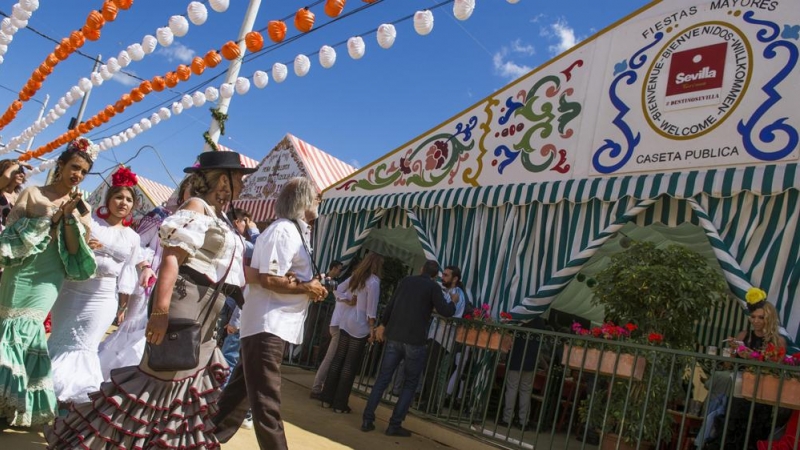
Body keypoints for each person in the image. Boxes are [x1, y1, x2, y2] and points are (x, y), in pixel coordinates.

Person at [45, 150, 254, 448]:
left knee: (182, 393)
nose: (242, 184)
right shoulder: (196, 207)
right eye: (238, 178)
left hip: (209, 313)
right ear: (223, 179)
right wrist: (160, 311)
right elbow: (171, 259)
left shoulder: (221, 216)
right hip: (186, 303)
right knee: (155, 385)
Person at [213, 177, 328, 450]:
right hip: (268, 323)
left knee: (238, 396)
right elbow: (268, 279)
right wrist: (306, 287)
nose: (319, 201)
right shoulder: (283, 231)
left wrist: (310, 286)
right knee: (266, 401)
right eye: (315, 197)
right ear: (302, 201)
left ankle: (204, 439)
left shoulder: (296, 232)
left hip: (271, 324)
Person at [0, 139, 97, 427]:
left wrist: (68, 218)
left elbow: (71, 248)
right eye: (74, 167)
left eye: (83, 171)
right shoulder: (33, 194)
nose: (77, 174)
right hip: (21, 269)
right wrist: (53, 216)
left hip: (50, 275)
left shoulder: (83, 207)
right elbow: (11, 234)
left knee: (29, 333)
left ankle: (10, 404)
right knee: (7, 330)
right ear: (61, 166)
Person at [47, 166, 155, 407]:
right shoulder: (91, 223)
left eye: (128, 199)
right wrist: (84, 243)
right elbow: (65, 243)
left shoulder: (133, 237)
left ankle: (70, 401)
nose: (123, 202)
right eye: (118, 197)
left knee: (85, 346)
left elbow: (132, 268)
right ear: (108, 199)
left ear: (133, 206)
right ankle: (45, 393)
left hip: (103, 298)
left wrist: (128, 297)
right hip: (71, 290)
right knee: (59, 341)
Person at [362, 260, 456, 437]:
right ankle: (394, 424)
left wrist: (383, 324)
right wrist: (453, 301)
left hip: (395, 336)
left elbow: (391, 304)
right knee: (410, 383)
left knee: (382, 379)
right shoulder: (433, 287)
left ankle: (367, 419)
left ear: (421, 269)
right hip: (415, 340)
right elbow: (446, 311)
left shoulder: (406, 281)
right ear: (435, 275)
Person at [97, 206, 171, 380]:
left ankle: (131, 380)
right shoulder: (161, 214)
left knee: (146, 334)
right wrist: (145, 266)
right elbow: (137, 244)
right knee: (131, 327)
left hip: (168, 286)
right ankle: (107, 375)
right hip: (147, 281)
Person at [320, 253, 384, 413]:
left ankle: (327, 397)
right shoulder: (374, 282)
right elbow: (371, 308)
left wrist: (346, 300)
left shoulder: (356, 276)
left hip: (346, 319)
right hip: (360, 323)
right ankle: (339, 404)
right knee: (350, 364)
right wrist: (372, 328)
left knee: (338, 358)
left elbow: (338, 288)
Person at [419, 265, 467, 412]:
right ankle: (427, 401)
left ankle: (431, 404)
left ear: (455, 278)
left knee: (432, 371)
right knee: (429, 370)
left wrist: (437, 310)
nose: (443, 277)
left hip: (443, 338)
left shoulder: (457, 294)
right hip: (436, 335)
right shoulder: (446, 291)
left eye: (446, 275)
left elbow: (451, 315)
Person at [499, 316, 547, 431]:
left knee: (511, 388)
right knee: (526, 391)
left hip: (516, 357)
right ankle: (523, 421)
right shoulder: (540, 321)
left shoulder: (519, 316)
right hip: (531, 360)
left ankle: (507, 419)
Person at [309, 260, 345, 399]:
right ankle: (307, 357)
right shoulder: (322, 276)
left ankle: (317, 360)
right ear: (333, 268)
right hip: (318, 306)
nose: (339, 272)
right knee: (311, 331)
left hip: (329, 311)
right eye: (339, 269)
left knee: (325, 337)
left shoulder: (339, 282)